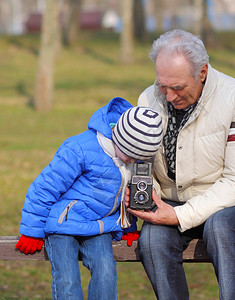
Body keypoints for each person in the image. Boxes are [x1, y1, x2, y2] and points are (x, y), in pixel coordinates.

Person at [125, 29, 235, 300]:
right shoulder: (147, 99)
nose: (168, 96)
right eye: (162, 86)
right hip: (173, 201)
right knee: (152, 240)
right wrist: (144, 190)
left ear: (202, 72)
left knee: (220, 227)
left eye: (178, 87)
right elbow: (141, 160)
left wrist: (181, 215)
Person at [15, 97, 163, 300]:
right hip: (63, 225)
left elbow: (125, 196)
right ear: (117, 136)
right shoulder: (79, 149)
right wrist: (32, 231)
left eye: (137, 158)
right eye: (129, 154)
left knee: (106, 271)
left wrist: (128, 226)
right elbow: (44, 187)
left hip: (99, 227)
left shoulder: (131, 161)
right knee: (67, 280)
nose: (131, 160)